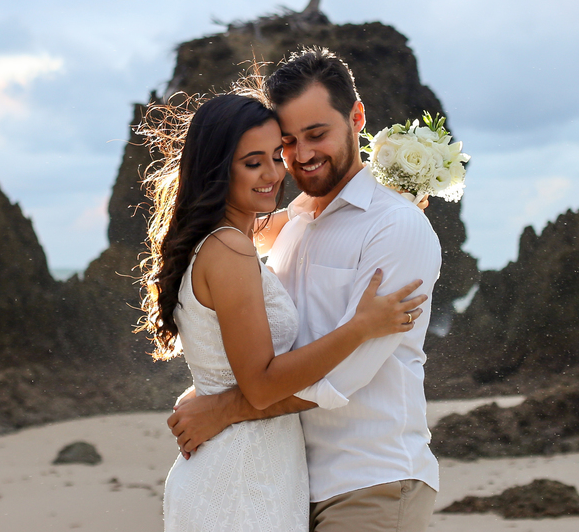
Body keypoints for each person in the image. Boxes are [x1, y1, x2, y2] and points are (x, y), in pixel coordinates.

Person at [168, 48, 443, 532]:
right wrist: (208, 383)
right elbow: (262, 345)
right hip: (288, 485)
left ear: (357, 118)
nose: (301, 157)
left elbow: (342, 376)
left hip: (370, 480)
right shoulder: (291, 225)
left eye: (317, 135)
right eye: (287, 143)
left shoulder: (396, 227)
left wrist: (221, 408)